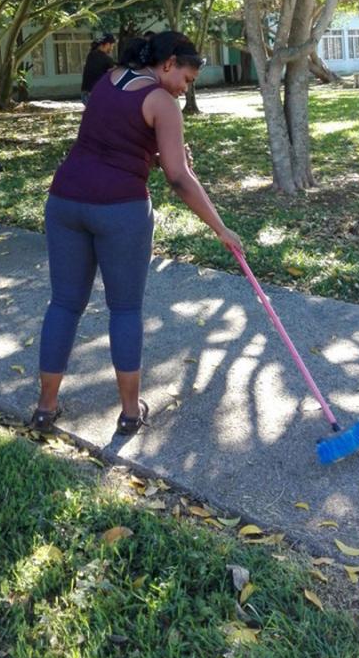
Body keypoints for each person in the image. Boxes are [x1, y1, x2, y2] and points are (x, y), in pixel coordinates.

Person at [32, 31, 243, 436]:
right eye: (186, 77)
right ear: (168, 63)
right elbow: (179, 178)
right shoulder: (162, 101)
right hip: (120, 209)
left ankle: (45, 408)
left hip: (65, 201)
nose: (184, 89)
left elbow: (114, 139)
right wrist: (221, 228)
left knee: (63, 305)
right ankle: (130, 413)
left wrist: (162, 154)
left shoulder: (107, 79)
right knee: (125, 310)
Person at [80, 34, 116, 104]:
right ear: (108, 44)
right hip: (96, 93)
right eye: (112, 46)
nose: (112, 48)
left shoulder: (91, 55)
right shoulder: (107, 59)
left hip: (85, 93)